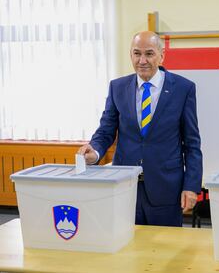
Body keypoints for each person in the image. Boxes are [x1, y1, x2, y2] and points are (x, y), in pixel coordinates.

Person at [78, 31, 203, 227]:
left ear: (162, 55)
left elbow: (192, 143)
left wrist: (191, 186)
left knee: (165, 250)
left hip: (166, 188)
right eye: (137, 53)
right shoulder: (117, 87)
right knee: (125, 250)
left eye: (149, 54)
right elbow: (106, 130)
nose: (142, 60)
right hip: (124, 186)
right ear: (130, 55)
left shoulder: (183, 88)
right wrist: (94, 151)